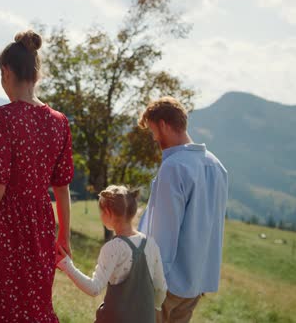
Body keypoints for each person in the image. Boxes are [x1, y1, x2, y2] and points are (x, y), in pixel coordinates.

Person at [0, 30, 74, 322]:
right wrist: (64, 236)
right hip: (41, 229)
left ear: (6, 72)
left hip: (4, 228)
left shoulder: (1, 117)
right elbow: (61, 188)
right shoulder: (59, 122)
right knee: (35, 307)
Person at [137, 96, 228, 323]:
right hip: (195, 282)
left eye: (153, 131)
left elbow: (163, 232)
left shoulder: (174, 167)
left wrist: (151, 280)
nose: (154, 138)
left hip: (166, 284)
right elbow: (213, 226)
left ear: (164, 125)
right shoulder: (217, 166)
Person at [56, 185, 167, 323]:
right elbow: (161, 288)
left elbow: (94, 289)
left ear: (108, 213)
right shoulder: (151, 244)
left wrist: (66, 265)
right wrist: (153, 307)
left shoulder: (114, 248)